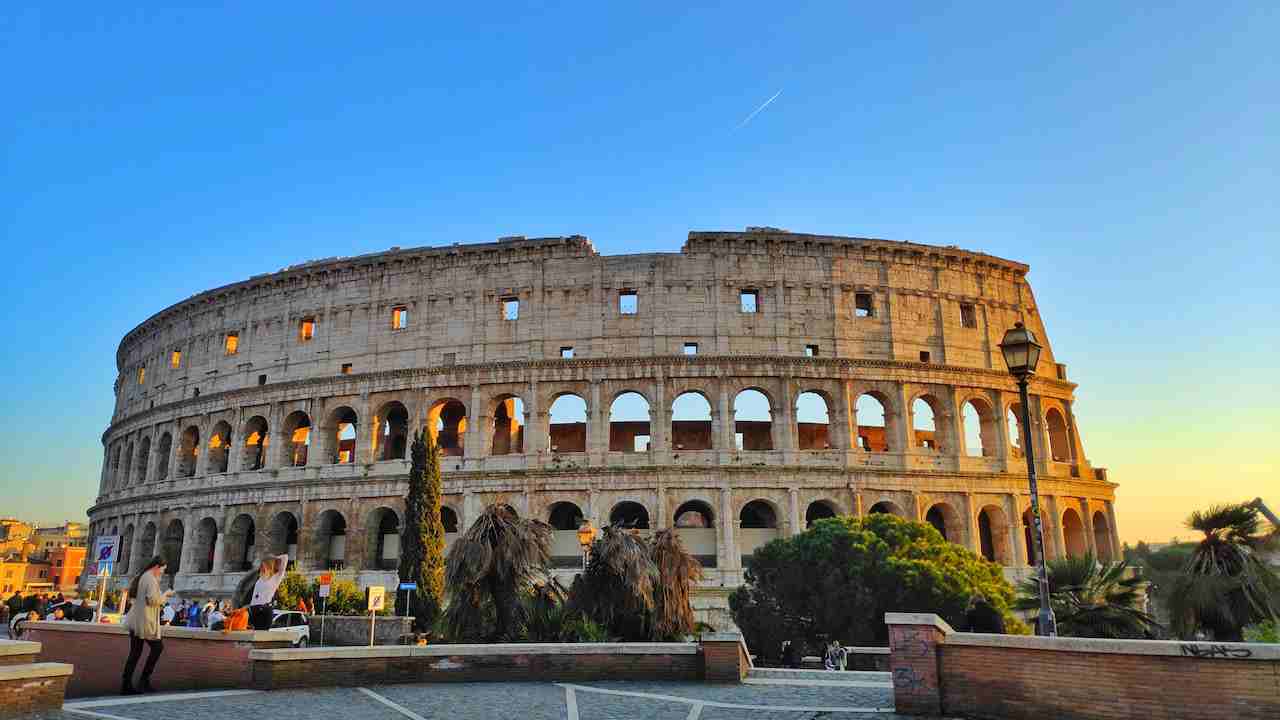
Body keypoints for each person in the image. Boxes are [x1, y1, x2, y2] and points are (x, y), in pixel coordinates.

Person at [121, 556, 174, 695]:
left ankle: (126, 684)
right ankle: (144, 680)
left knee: (135, 654)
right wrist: (166, 595)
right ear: (157, 566)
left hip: (136, 619)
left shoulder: (142, 576)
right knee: (157, 648)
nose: (162, 572)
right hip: (145, 621)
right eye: (162, 570)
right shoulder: (150, 578)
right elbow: (153, 600)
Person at [247, 554, 290, 631]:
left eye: (264, 565)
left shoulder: (275, 578)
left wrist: (273, 559)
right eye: (262, 565)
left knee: (261, 636)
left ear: (269, 565)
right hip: (253, 610)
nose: (262, 567)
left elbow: (285, 557)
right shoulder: (260, 578)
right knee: (253, 635)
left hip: (265, 610)